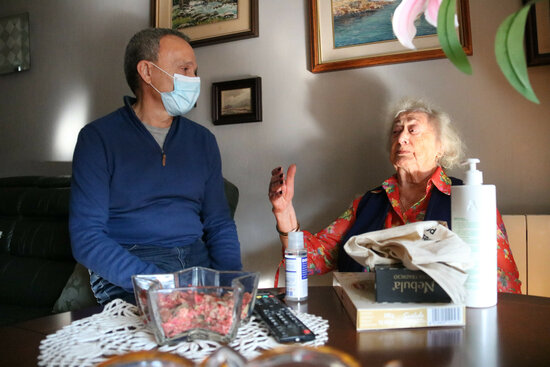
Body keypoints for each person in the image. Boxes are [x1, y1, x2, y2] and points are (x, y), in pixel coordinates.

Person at [268, 98, 521, 293]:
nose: (401, 139)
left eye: (413, 130)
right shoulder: (369, 201)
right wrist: (284, 211)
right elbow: (313, 259)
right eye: (396, 131)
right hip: (367, 321)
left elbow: (504, 282)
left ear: (440, 147)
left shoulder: (470, 200)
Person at [69, 28, 242, 305]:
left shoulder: (202, 141)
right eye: (184, 68)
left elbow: (219, 223)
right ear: (147, 72)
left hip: (196, 264)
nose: (194, 79)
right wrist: (158, 284)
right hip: (131, 269)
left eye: (195, 70)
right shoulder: (98, 138)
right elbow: (86, 237)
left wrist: (231, 281)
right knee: (167, 339)